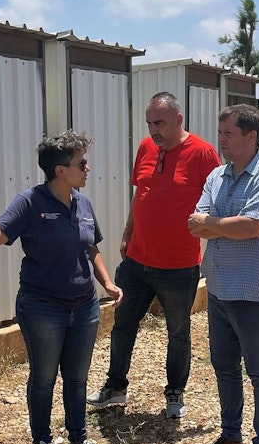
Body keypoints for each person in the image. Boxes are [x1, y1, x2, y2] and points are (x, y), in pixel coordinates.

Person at [0, 130, 123, 444]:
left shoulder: (84, 203)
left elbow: (91, 248)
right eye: (82, 163)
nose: (88, 168)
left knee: (77, 379)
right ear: (60, 170)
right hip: (42, 307)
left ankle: (78, 441)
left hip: (85, 306)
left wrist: (107, 282)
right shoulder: (30, 202)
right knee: (44, 376)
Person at [87, 92, 220, 418]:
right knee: (123, 325)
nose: (153, 130)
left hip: (178, 265)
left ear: (178, 120)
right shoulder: (146, 148)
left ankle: (175, 394)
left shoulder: (203, 153)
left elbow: (218, 200)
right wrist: (128, 231)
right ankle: (115, 387)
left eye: (159, 123)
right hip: (137, 260)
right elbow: (141, 192)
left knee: (178, 332)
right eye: (149, 123)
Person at [188, 104, 259, 444]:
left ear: (251, 136)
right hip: (218, 286)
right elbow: (195, 224)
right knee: (224, 367)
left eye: (228, 133)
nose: (222, 139)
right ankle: (231, 437)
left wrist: (216, 224)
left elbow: (251, 227)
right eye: (221, 132)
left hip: (253, 288)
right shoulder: (217, 175)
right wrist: (221, 224)